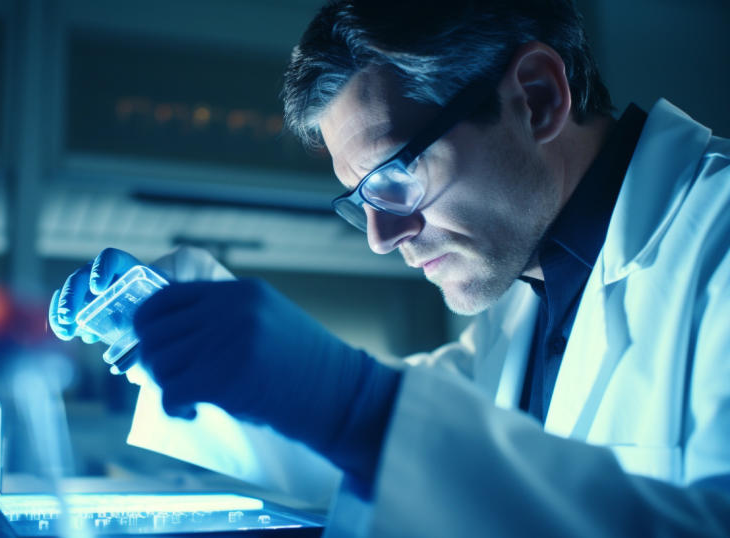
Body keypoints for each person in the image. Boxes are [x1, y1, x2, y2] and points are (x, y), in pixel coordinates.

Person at [51, 0, 730, 535]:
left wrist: (355, 407)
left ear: (538, 97)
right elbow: (410, 466)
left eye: (397, 177)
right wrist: (186, 325)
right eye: (362, 199)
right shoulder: (528, 301)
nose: (381, 237)